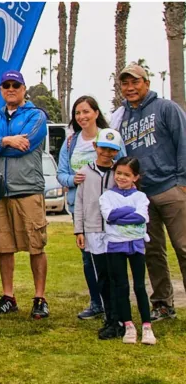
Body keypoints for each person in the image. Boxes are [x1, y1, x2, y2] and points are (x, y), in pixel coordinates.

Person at [0, 70, 50, 319]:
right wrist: (6, 140)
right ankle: (8, 297)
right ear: (1, 89)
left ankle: (40, 298)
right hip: (0, 191)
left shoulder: (36, 115)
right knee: (4, 247)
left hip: (28, 189)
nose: (10, 89)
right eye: (6, 85)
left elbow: (26, 145)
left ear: (23, 88)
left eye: (15, 85)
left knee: (36, 245)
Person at [115, 63, 186, 322]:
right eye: (125, 83)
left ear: (146, 82)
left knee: (183, 246)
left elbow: (183, 142)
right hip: (142, 195)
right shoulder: (122, 116)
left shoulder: (166, 108)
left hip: (171, 188)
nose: (130, 88)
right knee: (153, 251)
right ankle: (163, 304)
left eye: (135, 82)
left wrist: (182, 182)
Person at [57, 96, 125, 320]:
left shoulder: (110, 136)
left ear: (96, 112)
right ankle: (96, 303)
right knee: (88, 258)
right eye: (77, 113)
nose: (81, 116)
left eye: (86, 111)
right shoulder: (71, 142)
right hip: (82, 207)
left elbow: (123, 168)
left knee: (113, 257)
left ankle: (115, 305)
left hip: (111, 208)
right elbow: (61, 173)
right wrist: (71, 179)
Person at [99, 156, 156, 345]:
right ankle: (128, 325)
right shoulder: (106, 196)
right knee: (121, 285)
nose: (121, 178)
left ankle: (147, 326)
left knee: (139, 286)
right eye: (119, 173)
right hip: (115, 246)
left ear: (136, 177)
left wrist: (120, 214)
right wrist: (127, 212)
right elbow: (109, 216)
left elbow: (141, 217)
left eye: (127, 175)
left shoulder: (141, 197)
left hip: (137, 245)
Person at [73, 128, 123, 339]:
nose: (107, 153)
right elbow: (80, 203)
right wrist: (79, 230)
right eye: (103, 148)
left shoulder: (118, 174)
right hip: (93, 232)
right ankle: (108, 315)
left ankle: (119, 318)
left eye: (112, 150)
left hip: (115, 233)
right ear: (95, 147)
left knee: (117, 276)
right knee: (101, 276)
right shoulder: (86, 172)